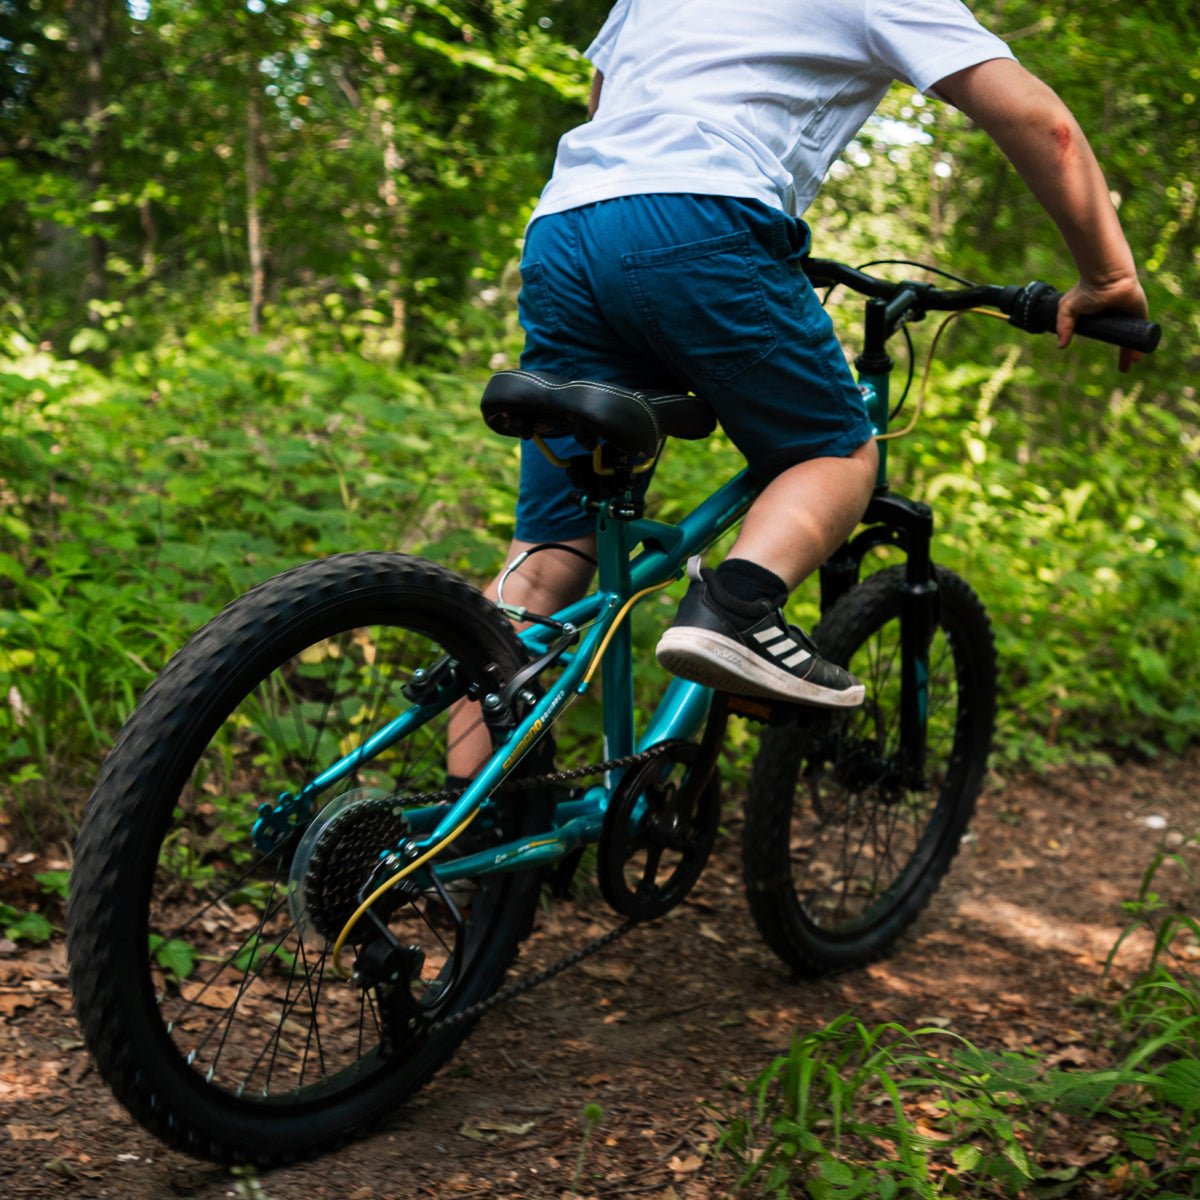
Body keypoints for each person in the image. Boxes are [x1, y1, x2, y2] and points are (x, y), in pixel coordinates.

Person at [457, 0, 1148, 767]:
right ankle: (735, 607)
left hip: (566, 224)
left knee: (549, 559)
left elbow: (605, 92)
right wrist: (1108, 277)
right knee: (832, 454)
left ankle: (457, 848)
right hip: (703, 216)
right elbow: (1037, 118)